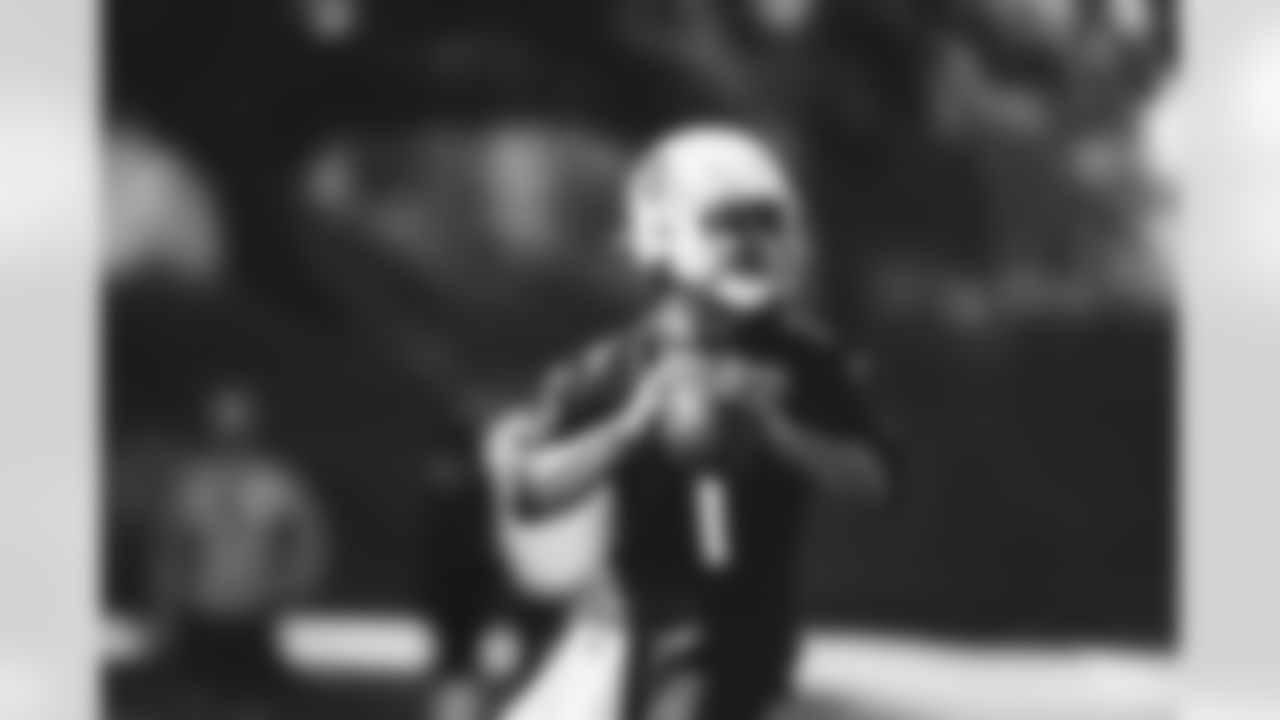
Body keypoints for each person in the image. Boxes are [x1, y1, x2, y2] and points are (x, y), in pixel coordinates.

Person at [484, 124, 905, 720]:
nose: (751, 241)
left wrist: (779, 430)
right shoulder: (617, 363)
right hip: (615, 630)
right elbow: (527, 491)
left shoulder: (809, 363)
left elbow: (879, 483)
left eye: (766, 221)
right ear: (661, 233)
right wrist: (631, 427)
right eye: (728, 222)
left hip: (738, 636)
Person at [149, 385, 327, 719]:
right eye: (223, 432)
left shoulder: (277, 482)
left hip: (254, 614)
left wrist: (293, 586)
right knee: (199, 704)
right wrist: (164, 604)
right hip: (201, 613)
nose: (231, 441)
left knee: (251, 706)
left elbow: (309, 540)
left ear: (253, 432)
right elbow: (169, 549)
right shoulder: (192, 482)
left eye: (239, 432)